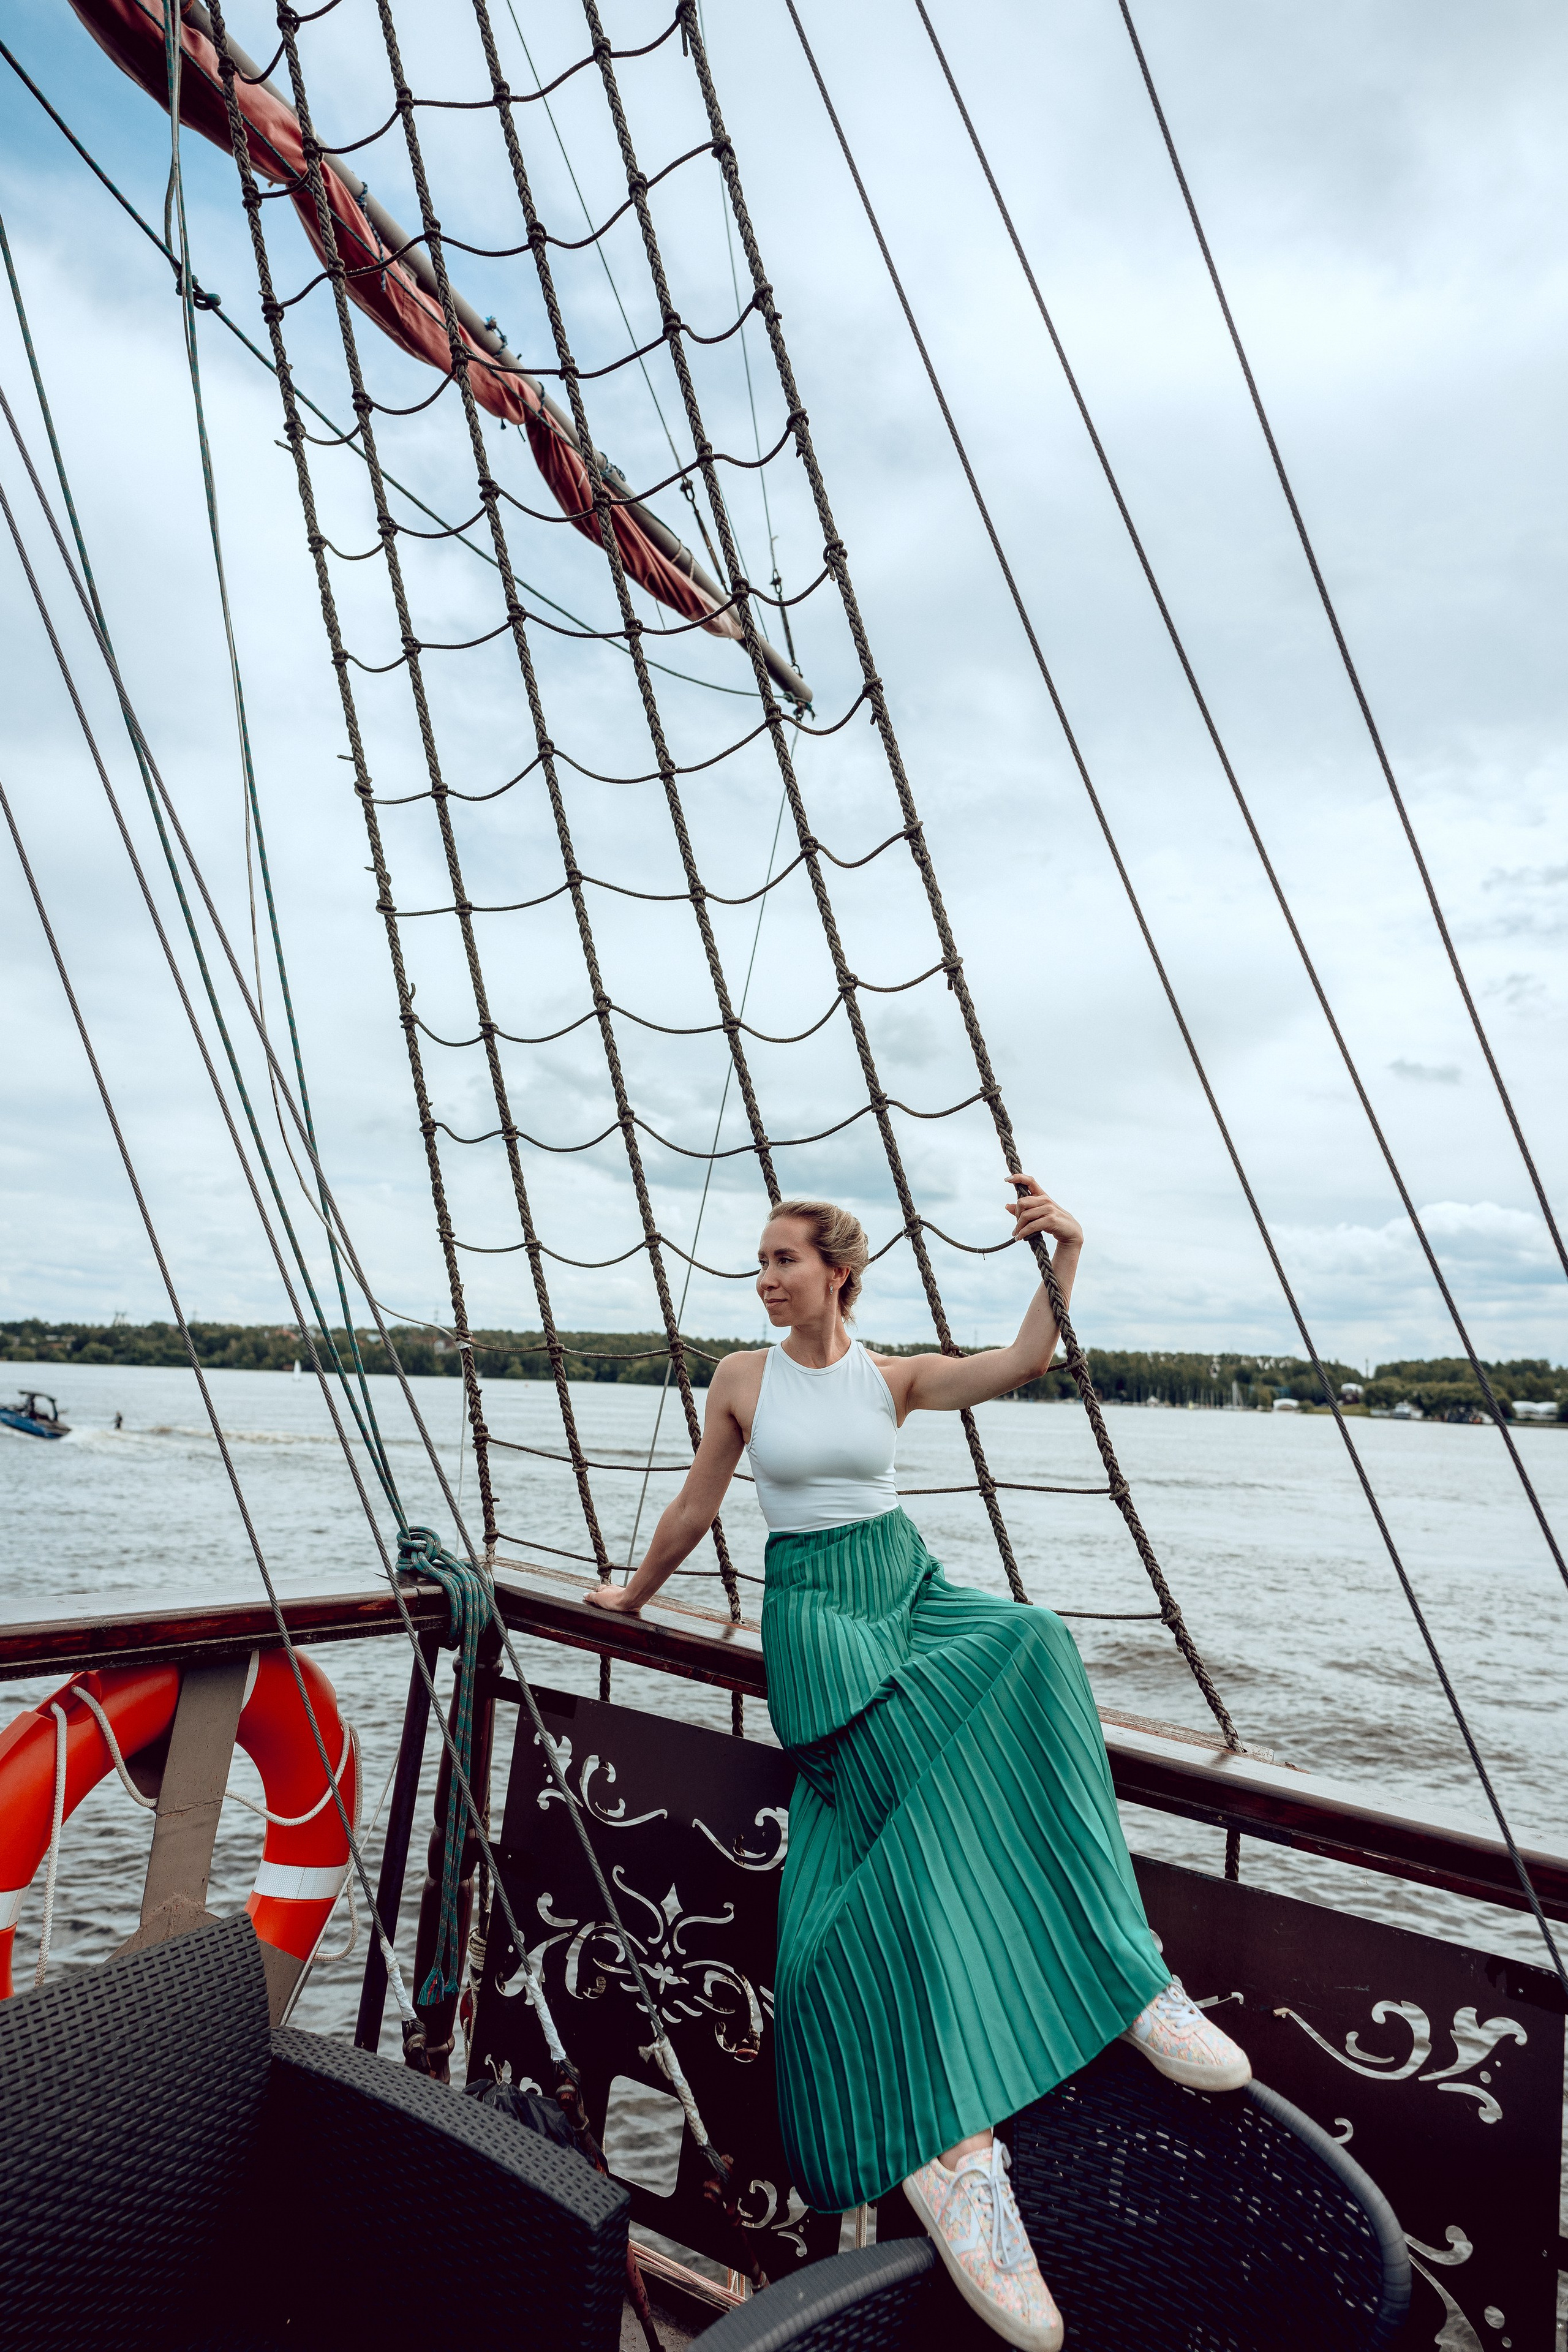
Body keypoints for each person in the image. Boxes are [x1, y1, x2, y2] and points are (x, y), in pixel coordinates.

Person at [586, 1178, 1250, 2348]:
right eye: (761, 1261)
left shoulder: (891, 1378)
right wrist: (630, 1595)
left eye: (786, 1259)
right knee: (905, 1782)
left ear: (837, 1270)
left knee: (1036, 1645)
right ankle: (956, 2150)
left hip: (905, 1586)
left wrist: (1070, 1250)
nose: (767, 1277)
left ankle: (1127, 1976)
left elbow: (1025, 1359)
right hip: (816, 1616)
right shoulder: (743, 1378)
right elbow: (697, 1506)